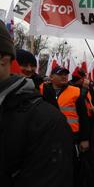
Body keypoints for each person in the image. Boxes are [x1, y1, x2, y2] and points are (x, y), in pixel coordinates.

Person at [0, 20, 73, 187]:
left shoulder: (47, 117)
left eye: (33, 65)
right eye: (24, 64)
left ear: (5, 60)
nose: (29, 69)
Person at [40, 66, 90, 187]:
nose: (64, 76)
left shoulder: (75, 91)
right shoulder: (41, 90)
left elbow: (83, 117)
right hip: (50, 137)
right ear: (51, 77)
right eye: (60, 74)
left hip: (72, 137)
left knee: (72, 168)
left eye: (65, 74)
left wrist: (84, 139)